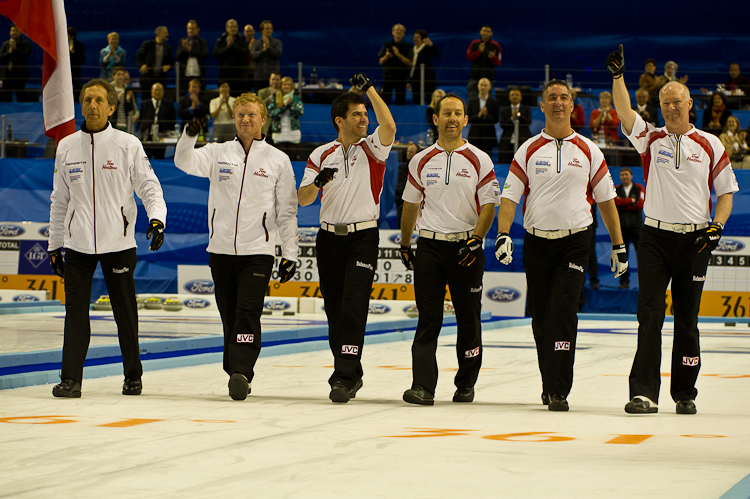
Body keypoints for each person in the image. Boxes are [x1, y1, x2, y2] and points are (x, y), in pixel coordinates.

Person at [607, 44, 738, 415]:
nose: (671, 108)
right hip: (655, 238)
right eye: (665, 103)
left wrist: (717, 226)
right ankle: (643, 393)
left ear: (690, 103)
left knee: (687, 318)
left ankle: (685, 392)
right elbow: (624, 111)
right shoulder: (650, 138)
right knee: (649, 312)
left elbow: (726, 193)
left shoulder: (710, 144)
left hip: (696, 240)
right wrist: (618, 77)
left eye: (677, 102)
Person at [494, 79, 627, 412]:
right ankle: (548, 382)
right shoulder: (526, 150)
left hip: (575, 242)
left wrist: (619, 244)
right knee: (541, 316)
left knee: (564, 311)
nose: (557, 103)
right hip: (537, 243)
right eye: (551, 98)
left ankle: (559, 390)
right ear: (542, 106)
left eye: (564, 98)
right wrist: (503, 233)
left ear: (572, 106)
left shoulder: (589, 150)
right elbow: (510, 197)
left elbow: (607, 200)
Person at [174, 92, 299, 401]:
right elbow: (183, 161)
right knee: (229, 313)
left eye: (251, 114)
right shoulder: (218, 152)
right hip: (220, 251)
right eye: (240, 114)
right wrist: (190, 135)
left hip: (258, 250)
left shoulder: (277, 160)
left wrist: (290, 253)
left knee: (247, 310)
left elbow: (287, 211)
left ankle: (242, 370)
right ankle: (235, 370)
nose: (245, 119)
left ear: (263, 119)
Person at [48, 78, 167, 398]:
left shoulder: (128, 145)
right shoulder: (66, 146)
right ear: (81, 104)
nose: (92, 105)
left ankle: (133, 375)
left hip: (119, 244)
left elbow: (149, 187)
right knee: (75, 312)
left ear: (112, 107)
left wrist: (157, 220)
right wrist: (54, 244)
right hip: (77, 245)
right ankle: (71, 380)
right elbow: (59, 200)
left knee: (125, 312)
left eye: (99, 100)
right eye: (87, 100)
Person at [298, 74, 396, 403]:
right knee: (334, 310)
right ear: (340, 120)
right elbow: (304, 199)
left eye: (365, 113)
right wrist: (319, 182)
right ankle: (352, 371)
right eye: (357, 114)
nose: (364, 118)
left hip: (363, 236)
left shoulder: (374, 149)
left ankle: (341, 376)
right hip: (328, 239)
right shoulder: (320, 154)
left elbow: (390, 127)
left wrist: (369, 89)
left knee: (354, 304)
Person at [400, 94, 500, 405]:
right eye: (446, 113)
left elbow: (489, 204)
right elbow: (410, 205)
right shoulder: (420, 160)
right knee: (428, 318)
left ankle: (466, 383)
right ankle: (422, 387)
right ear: (436, 119)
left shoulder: (480, 159)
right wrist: (405, 244)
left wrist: (477, 238)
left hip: (466, 248)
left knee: (468, 318)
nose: (452, 118)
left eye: (458, 113)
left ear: (466, 120)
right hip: (429, 247)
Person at [614, 167, 644, 289]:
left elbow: (640, 204)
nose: (624, 177)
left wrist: (623, 203)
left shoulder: (639, 188)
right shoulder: (616, 189)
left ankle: (644, 281)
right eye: (622, 175)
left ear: (631, 176)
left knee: (641, 254)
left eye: (626, 174)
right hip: (621, 227)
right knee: (622, 255)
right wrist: (631, 200)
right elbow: (615, 203)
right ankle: (623, 281)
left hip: (636, 226)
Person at [267, 76, 304, 159]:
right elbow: (272, 114)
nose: (286, 86)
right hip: (279, 133)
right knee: (280, 159)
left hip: (293, 133)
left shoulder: (296, 98)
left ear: (291, 86)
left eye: (288, 84)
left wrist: (290, 105)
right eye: (284, 84)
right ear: (281, 86)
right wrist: (284, 106)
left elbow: (299, 113)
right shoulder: (275, 97)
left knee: (293, 158)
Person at [138, 82, 176, 159]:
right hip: (147, 137)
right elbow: (140, 120)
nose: (158, 92)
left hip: (162, 137)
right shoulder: (144, 104)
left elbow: (172, 121)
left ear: (163, 92)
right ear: (151, 92)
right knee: (146, 159)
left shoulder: (169, 104)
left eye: (160, 90)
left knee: (160, 157)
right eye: (156, 90)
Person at [378, 24, 411, 105]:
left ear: (403, 33)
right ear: (393, 32)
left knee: (400, 100)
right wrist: (387, 56)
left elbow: (410, 63)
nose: (398, 31)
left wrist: (399, 55)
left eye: (400, 30)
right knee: (386, 100)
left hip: (401, 77)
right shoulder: (387, 45)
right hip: (388, 76)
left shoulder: (408, 46)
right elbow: (381, 61)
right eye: (396, 30)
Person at [466, 25, 501, 101]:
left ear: (491, 33)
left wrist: (493, 58)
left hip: (489, 78)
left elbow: (498, 62)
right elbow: (469, 57)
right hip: (475, 77)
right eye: (484, 30)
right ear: (480, 31)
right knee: (472, 100)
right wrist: (479, 51)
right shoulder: (474, 43)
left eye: (488, 31)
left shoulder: (495, 45)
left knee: (488, 101)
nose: (485, 33)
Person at [135, 26, 174, 97]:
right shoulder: (147, 45)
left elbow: (172, 63)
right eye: (165, 33)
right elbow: (138, 57)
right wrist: (142, 65)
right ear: (158, 34)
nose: (167, 35)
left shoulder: (168, 48)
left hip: (161, 80)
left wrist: (168, 66)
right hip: (147, 80)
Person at [466, 78, 500, 158]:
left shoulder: (494, 102)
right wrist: (478, 115)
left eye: (485, 85)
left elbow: (496, 119)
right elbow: (468, 118)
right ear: (478, 86)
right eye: (481, 85)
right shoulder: (472, 101)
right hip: (474, 136)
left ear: (489, 87)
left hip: (488, 136)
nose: (483, 87)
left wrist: (486, 115)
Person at [498, 87, 532, 163]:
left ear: (520, 97)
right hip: (507, 141)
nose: (515, 96)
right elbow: (502, 124)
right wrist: (512, 118)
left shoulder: (526, 108)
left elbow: (528, 121)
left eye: (517, 95)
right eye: (512, 95)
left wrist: (518, 115)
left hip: (522, 139)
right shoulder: (504, 109)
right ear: (509, 97)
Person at [214, 19, 248, 93]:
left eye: (235, 27)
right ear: (227, 28)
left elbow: (244, 53)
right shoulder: (221, 40)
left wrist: (233, 45)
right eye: (231, 27)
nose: (233, 29)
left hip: (240, 77)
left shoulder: (242, 40)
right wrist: (227, 47)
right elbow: (216, 54)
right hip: (225, 76)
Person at [0, 24, 31, 102]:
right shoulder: (5, 44)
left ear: (20, 32)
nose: (14, 32)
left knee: (20, 97)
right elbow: (0, 58)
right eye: (13, 30)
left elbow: (26, 56)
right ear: (10, 32)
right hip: (7, 75)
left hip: (20, 75)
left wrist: (16, 49)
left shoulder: (26, 43)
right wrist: (9, 52)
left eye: (17, 31)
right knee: (6, 97)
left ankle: (22, 113)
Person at [251, 20, 282, 95]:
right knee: (258, 99)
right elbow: (253, 56)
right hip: (259, 77)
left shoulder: (277, 42)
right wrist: (263, 50)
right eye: (267, 29)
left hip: (273, 78)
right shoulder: (256, 43)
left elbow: (278, 54)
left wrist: (269, 48)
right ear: (262, 30)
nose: (269, 30)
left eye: (271, 29)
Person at [409, 29, 439, 106]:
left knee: (429, 98)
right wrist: (409, 80)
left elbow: (436, 54)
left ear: (422, 39)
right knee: (416, 98)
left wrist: (431, 44)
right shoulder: (413, 49)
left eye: (417, 37)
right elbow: (413, 67)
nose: (415, 38)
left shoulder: (426, 48)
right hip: (416, 78)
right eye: (414, 37)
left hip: (428, 78)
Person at [176, 20, 209, 90]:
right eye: (189, 28)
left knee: (200, 97)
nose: (190, 30)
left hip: (198, 74)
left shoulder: (202, 42)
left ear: (198, 29)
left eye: (193, 28)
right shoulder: (183, 41)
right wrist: (184, 49)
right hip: (185, 75)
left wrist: (190, 50)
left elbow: (205, 55)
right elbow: (178, 56)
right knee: (181, 95)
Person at [395, 142, 419, 227]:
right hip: (400, 201)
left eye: (411, 152)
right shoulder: (402, 168)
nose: (408, 154)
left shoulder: (418, 169)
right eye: (408, 151)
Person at [109, 67, 137, 133]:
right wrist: (117, 101)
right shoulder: (109, 89)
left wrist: (128, 101)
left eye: (122, 74)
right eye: (118, 74)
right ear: (113, 76)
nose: (121, 77)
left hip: (125, 124)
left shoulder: (128, 89)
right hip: (112, 123)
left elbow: (131, 109)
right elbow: (108, 109)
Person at [258, 72, 281, 139]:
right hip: (267, 126)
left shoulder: (283, 93)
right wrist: (270, 97)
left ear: (280, 81)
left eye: (277, 80)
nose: (275, 81)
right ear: (269, 80)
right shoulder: (262, 92)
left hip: (279, 127)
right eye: (273, 79)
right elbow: (259, 107)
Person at [68, 27, 86, 96]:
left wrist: (72, 52)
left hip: (75, 71)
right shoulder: (61, 45)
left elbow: (82, 59)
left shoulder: (79, 45)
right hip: (65, 70)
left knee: (75, 86)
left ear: (72, 36)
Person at [243, 24, 256, 92]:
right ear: (244, 33)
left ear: (254, 32)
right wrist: (248, 49)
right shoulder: (241, 43)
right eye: (247, 31)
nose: (249, 33)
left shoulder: (258, 43)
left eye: (251, 31)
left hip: (256, 72)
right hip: (245, 73)